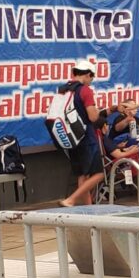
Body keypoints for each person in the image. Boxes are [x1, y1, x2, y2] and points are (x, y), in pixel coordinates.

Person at [56, 61, 104, 206]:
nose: (91, 82)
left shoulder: (64, 89)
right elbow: (92, 117)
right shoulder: (85, 90)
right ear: (88, 74)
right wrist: (97, 110)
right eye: (92, 78)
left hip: (71, 138)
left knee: (82, 175)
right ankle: (71, 200)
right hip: (86, 137)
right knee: (99, 174)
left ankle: (88, 210)